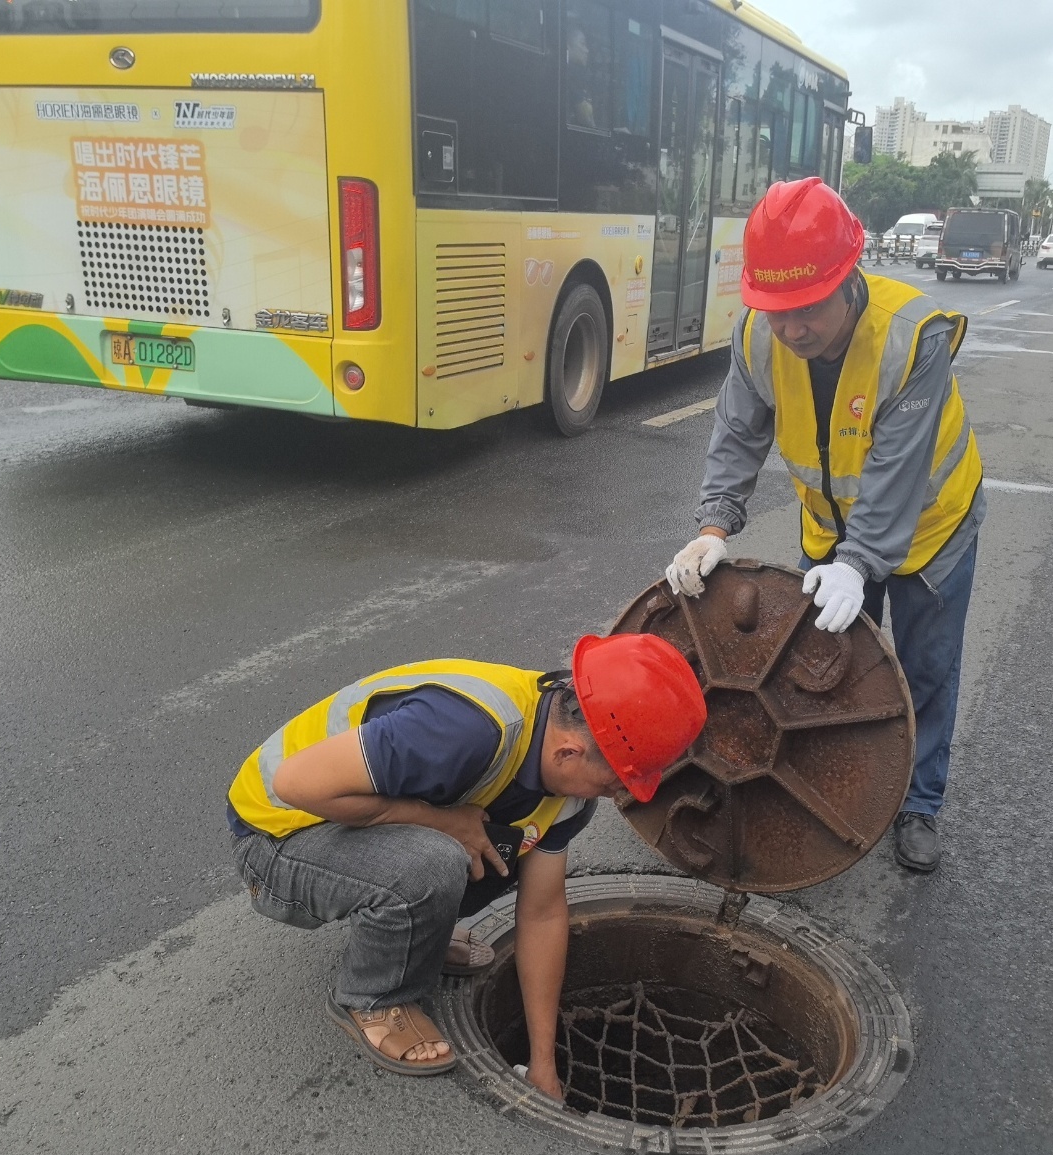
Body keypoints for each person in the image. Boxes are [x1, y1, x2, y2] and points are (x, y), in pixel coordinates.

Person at [226, 634, 706, 1099]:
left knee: (503, 846)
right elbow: (295, 784)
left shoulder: (567, 790)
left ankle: (415, 937)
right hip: (277, 837)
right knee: (436, 863)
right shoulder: (467, 731)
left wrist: (544, 1063)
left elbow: (542, 913)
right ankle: (371, 997)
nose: (619, 794)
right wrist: (443, 822)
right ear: (568, 752)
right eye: (616, 780)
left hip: (349, 826)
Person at [666, 177, 984, 873]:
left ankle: (920, 803)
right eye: (775, 310)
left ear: (848, 278)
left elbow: (898, 473)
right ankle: (837, 786)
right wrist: (713, 526)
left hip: (932, 530)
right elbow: (737, 434)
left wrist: (860, 560)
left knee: (925, 672)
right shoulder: (758, 336)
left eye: (806, 308)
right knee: (826, 667)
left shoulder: (912, 337)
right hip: (831, 533)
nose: (791, 328)